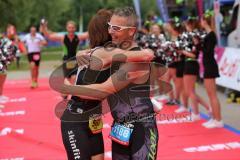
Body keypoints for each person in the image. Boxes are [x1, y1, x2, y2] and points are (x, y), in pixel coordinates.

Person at [56, 7, 158, 160]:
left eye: (116, 28)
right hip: (119, 126)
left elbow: (104, 90)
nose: (110, 31)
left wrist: (67, 87)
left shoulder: (136, 61)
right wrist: (79, 55)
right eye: (109, 26)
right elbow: (96, 54)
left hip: (141, 128)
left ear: (131, 31)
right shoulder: (111, 52)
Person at [41, 20, 88, 97]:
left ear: (75, 28)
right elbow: (49, 36)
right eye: (69, 28)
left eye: (73, 28)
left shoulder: (78, 37)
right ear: (67, 28)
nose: (71, 29)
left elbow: (88, 34)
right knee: (66, 82)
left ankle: (73, 98)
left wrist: (99, 22)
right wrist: (43, 27)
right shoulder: (63, 37)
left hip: (75, 61)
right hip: (66, 61)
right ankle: (64, 96)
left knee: (74, 78)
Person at [177, 18, 210, 119]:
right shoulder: (190, 37)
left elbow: (194, 55)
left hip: (191, 64)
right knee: (190, 91)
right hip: (189, 64)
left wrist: (183, 52)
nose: (185, 27)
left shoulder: (195, 37)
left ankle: (199, 112)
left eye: (187, 25)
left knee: (190, 91)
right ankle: (204, 109)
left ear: (190, 26)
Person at [200, 13, 223, 128]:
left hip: (210, 66)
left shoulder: (211, 35)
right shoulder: (207, 35)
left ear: (205, 21)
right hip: (208, 65)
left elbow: (208, 51)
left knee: (212, 94)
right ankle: (214, 118)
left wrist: (198, 44)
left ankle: (218, 120)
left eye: (202, 20)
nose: (201, 21)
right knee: (210, 94)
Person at [0, 24, 26, 103]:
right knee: (1, 77)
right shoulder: (2, 37)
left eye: (12, 29)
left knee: (3, 78)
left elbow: (23, 51)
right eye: (9, 29)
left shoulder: (15, 39)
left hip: (5, 61)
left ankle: (0, 95)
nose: (11, 31)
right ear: (7, 30)